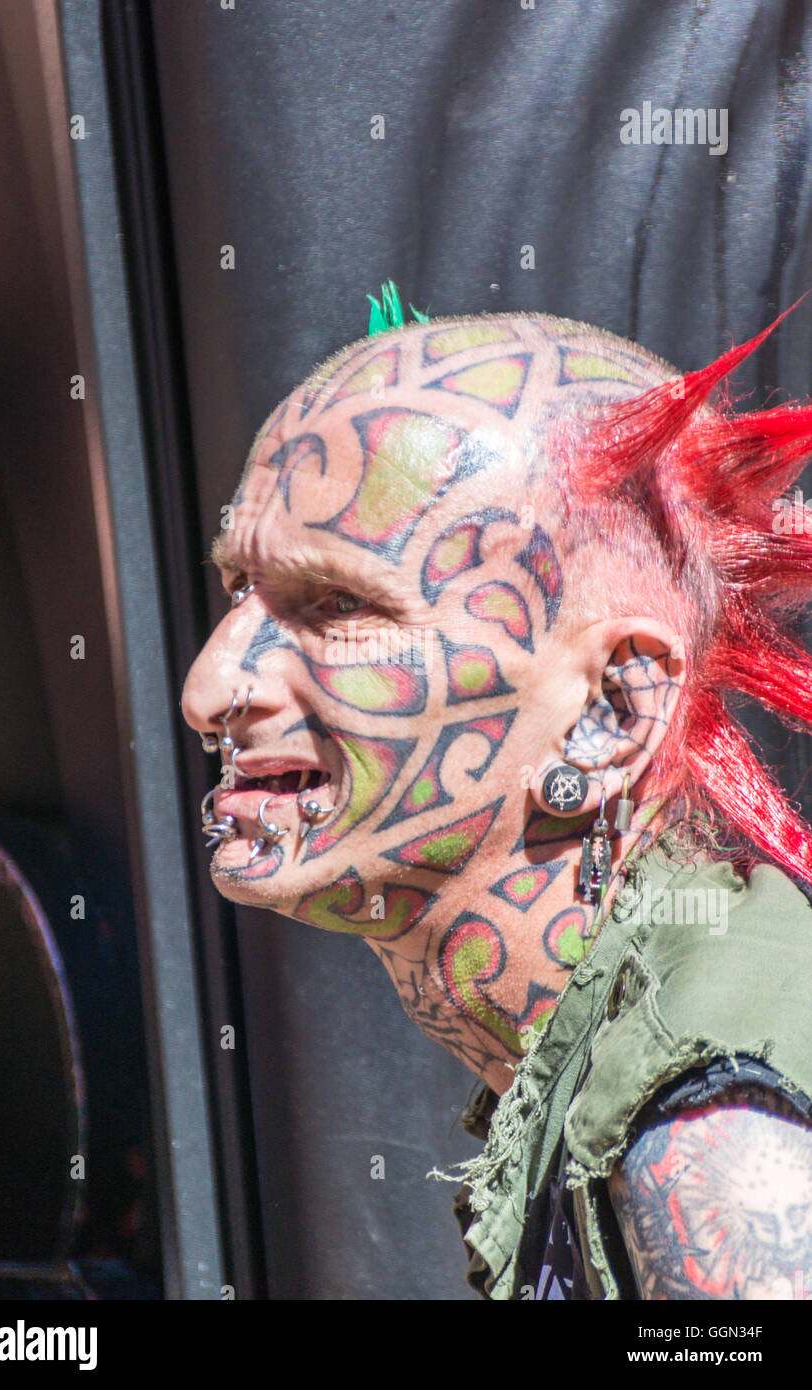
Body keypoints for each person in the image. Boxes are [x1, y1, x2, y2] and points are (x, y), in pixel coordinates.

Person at [181, 285, 812, 1300]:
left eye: (337, 605)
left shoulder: (712, 1137)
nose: (209, 689)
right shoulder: (613, 1043)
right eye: (238, 593)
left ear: (611, 705)